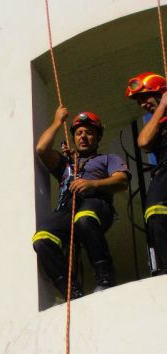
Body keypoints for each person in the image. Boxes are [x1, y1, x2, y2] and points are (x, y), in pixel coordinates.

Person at [33, 107, 130, 298]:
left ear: (98, 137)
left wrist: (93, 184)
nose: (83, 136)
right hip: (68, 209)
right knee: (42, 238)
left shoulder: (107, 159)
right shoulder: (66, 165)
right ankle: (70, 290)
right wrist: (57, 121)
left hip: (96, 204)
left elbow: (122, 181)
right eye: (78, 133)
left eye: (89, 132)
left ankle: (105, 276)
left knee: (84, 218)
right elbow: (42, 149)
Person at [126, 71, 167, 274]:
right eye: (139, 101)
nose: (142, 104)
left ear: (160, 91)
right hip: (164, 169)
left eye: (145, 97)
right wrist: (161, 107)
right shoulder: (157, 124)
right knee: (155, 210)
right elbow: (143, 142)